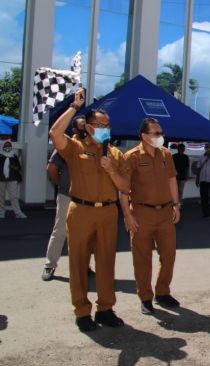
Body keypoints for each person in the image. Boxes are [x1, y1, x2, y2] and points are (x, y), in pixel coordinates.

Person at [49, 88, 130, 332]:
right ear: (90, 126)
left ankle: (105, 309)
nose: (106, 127)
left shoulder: (115, 153)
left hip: (107, 212)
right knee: (79, 261)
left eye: (108, 123)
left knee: (106, 262)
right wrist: (74, 107)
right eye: (101, 123)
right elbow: (55, 133)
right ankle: (82, 311)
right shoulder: (75, 148)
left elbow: (126, 187)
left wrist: (112, 170)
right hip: (81, 211)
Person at [119, 118, 181, 315]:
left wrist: (176, 204)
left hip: (165, 213)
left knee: (169, 254)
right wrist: (127, 215)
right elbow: (123, 189)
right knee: (142, 258)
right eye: (156, 133)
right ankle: (145, 297)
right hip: (141, 213)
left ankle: (162, 292)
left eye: (161, 132)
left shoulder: (165, 155)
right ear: (144, 136)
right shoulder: (132, 156)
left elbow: (172, 180)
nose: (160, 136)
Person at [42, 117, 95, 281]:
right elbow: (51, 169)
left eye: (87, 125)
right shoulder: (66, 146)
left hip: (88, 198)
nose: (85, 129)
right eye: (81, 127)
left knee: (86, 234)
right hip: (68, 196)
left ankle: (84, 265)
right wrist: (61, 185)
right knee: (60, 231)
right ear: (74, 130)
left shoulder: (93, 146)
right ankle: (50, 265)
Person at [0, 140, 27, 219]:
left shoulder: (13, 156)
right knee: (0, 197)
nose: (7, 147)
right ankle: (1, 212)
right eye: (6, 146)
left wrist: (13, 166)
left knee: (14, 196)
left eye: (9, 146)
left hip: (12, 178)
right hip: (1, 179)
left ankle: (18, 213)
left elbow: (18, 167)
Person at [172, 143, 189, 207]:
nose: (182, 150)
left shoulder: (186, 157)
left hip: (182, 176)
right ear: (178, 149)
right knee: (175, 190)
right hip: (174, 176)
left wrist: (187, 175)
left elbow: (187, 167)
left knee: (180, 190)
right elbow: (171, 166)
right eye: (181, 148)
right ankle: (174, 202)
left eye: (183, 149)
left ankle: (179, 203)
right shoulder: (174, 156)